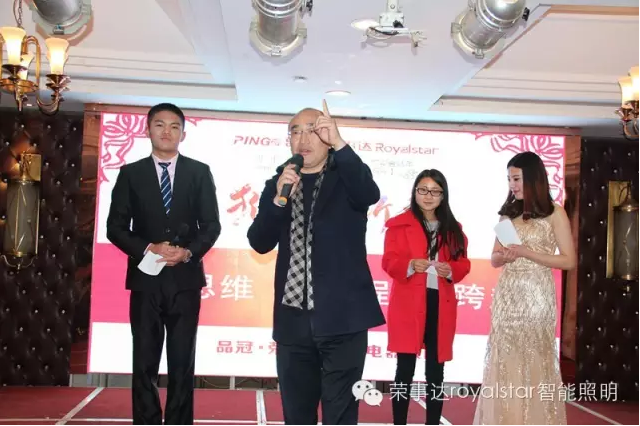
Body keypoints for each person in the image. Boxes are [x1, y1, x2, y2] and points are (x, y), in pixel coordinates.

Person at [247, 100, 386, 425]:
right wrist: (279, 199)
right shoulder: (278, 184)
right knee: (297, 415)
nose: (303, 139)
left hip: (344, 320)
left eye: (313, 131)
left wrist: (340, 143)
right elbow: (260, 242)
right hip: (293, 323)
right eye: (296, 132)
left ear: (327, 137)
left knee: (340, 414)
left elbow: (368, 193)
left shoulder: (346, 179)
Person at [106, 103, 221, 425]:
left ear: (183, 134)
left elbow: (211, 225)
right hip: (146, 281)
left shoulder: (199, 172)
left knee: (182, 362)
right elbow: (115, 227)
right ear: (148, 130)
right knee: (144, 361)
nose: (167, 131)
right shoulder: (131, 174)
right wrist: (148, 248)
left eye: (174, 126)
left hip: (185, 281)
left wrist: (187, 252)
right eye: (159, 125)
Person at [472, 151, 576, 425]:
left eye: (516, 179)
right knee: (505, 358)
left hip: (537, 295)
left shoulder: (555, 213)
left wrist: (526, 252)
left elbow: (568, 260)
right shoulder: (507, 214)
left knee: (535, 357)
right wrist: (503, 257)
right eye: (509, 179)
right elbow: (494, 258)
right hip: (508, 294)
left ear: (532, 178)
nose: (512, 185)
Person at [382, 169, 471, 425]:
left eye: (435, 191)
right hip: (408, 303)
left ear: (443, 196)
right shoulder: (398, 225)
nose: (428, 196)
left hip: (439, 304)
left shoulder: (453, 229)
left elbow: (463, 264)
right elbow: (389, 261)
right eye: (423, 190)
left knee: (435, 371)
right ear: (415, 192)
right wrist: (410, 265)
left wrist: (450, 270)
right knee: (404, 370)